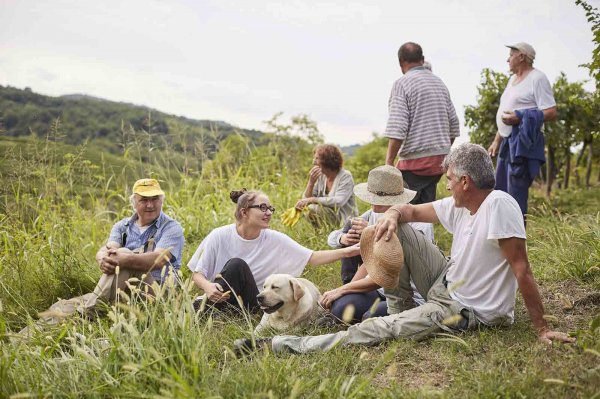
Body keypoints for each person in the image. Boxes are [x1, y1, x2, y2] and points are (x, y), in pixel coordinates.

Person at [234, 143, 574, 355]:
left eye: (451, 179)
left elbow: (521, 269)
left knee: (381, 328)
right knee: (397, 225)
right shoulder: (460, 206)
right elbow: (409, 211)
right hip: (443, 278)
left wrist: (541, 327)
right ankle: (400, 306)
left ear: (466, 182)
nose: (447, 184)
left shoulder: (499, 205)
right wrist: (393, 213)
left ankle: (283, 345)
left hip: (465, 308)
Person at [20, 178, 185, 333]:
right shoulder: (122, 226)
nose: (150, 205)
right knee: (63, 308)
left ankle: (89, 313)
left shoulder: (171, 228)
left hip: (155, 294)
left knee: (124, 254)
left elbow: (158, 259)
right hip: (121, 292)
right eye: (143, 200)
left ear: (162, 201)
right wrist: (102, 258)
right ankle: (21, 340)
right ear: (134, 203)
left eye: (155, 199)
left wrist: (124, 258)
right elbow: (107, 250)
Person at [188, 189, 360, 312]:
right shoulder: (219, 235)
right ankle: (209, 306)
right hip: (221, 295)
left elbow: (312, 257)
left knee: (237, 265)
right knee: (235, 266)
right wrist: (208, 288)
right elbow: (197, 274)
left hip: (254, 302)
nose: (269, 212)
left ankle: (203, 308)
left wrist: (349, 251)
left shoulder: (274, 238)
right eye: (263, 208)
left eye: (270, 208)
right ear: (244, 212)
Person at [322, 165, 433, 324]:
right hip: (379, 289)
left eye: (380, 202)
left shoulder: (419, 226)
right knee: (340, 308)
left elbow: (386, 275)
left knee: (371, 317)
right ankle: (356, 304)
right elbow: (370, 262)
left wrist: (342, 290)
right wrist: (344, 293)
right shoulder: (376, 213)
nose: (374, 207)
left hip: (407, 294)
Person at [384, 42, 460, 205]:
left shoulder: (402, 83)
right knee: (424, 210)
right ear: (422, 59)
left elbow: (398, 126)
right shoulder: (439, 83)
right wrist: (441, 150)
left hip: (415, 163)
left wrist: (389, 163)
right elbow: (453, 124)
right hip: (439, 162)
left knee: (402, 211)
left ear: (401, 63)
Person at [488, 42, 557, 217]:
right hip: (508, 141)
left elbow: (551, 111)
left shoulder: (537, 78)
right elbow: (506, 109)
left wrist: (520, 116)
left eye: (511, 55)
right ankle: (502, 238)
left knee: (516, 195)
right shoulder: (512, 80)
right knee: (501, 192)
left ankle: (518, 241)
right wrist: (497, 140)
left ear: (522, 57)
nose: (507, 59)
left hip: (522, 143)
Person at [295, 144, 358, 226]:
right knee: (307, 209)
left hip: (345, 221)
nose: (313, 162)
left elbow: (339, 201)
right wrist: (311, 183)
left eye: (317, 158)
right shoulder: (321, 176)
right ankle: (320, 233)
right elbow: (306, 199)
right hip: (329, 218)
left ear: (327, 160)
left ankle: (333, 232)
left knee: (312, 208)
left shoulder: (345, 176)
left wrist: (312, 200)